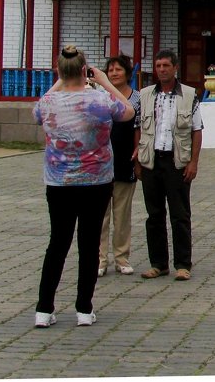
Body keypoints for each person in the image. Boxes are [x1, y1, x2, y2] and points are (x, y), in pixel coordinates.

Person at [33, 44, 135, 328]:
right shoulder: (99, 100)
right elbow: (128, 111)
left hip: (59, 182)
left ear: (59, 71)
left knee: (57, 243)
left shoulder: (48, 102)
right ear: (83, 71)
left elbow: (36, 114)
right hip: (96, 181)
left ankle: (44, 309)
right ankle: (84, 309)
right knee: (89, 245)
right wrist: (103, 81)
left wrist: (60, 79)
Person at [135, 49, 203, 281]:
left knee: (180, 214)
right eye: (158, 66)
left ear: (175, 68)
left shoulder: (189, 95)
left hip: (177, 161)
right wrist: (138, 161)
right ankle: (158, 263)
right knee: (154, 214)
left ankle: (183, 264)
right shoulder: (145, 95)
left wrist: (193, 161)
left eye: (166, 65)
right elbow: (139, 129)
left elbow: (196, 130)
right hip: (151, 161)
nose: (162, 70)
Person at [98, 54, 141, 277]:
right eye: (111, 70)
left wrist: (138, 153)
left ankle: (122, 258)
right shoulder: (98, 97)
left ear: (127, 73)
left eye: (119, 69)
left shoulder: (137, 99)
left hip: (125, 161)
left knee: (122, 214)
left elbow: (139, 128)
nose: (114, 73)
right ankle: (100, 259)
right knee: (100, 215)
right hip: (100, 164)